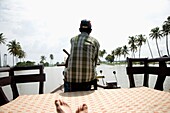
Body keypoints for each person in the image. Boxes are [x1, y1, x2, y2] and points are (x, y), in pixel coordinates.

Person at [64, 19, 100, 92]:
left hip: (71, 80)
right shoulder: (95, 42)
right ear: (90, 30)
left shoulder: (73, 40)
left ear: (79, 29)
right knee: (92, 73)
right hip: (87, 79)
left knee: (66, 73)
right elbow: (94, 63)